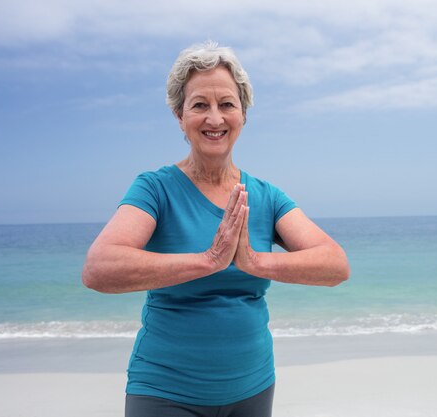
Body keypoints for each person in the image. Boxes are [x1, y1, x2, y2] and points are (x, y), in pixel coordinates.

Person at [82, 41, 350, 417]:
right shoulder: (155, 189)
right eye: (199, 105)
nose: (215, 118)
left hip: (253, 389)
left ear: (243, 115)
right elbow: (99, 269)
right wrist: (208, 260)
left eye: (227, 104)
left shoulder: (265, 196)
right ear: (179, 116)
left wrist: (255, 263)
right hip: (165, 391)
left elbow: (335, 264)